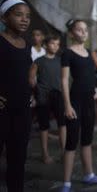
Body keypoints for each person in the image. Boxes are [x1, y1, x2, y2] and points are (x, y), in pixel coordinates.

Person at [60, 19, 97, 192]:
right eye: (79, 30)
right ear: (72, 33)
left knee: (87, 139)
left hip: (89, 100)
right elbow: (65, 80)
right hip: (75, 101)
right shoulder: (67, 53)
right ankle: (66, 183)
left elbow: (89, 74)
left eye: (85, 30)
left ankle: (89, 175)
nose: (83, 32)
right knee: (72, 141)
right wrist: (67, 105)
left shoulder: (88, 52)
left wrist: (95, 88)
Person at [0, 0, 32, 192]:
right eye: (18, 14)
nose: (24, 19)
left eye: (27, 16)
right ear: (4, 18)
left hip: (22, 109)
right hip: (2, 110)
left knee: (18, 157)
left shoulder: (26, 44)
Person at [29, 34, 66, 164]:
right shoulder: (38, 61)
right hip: (43, 96)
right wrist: (35, 93)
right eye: (52, 44)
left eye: (57, 44)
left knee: (62, 124)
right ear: (45, 45)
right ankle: (45, 154)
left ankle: (63, 152)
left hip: (59, 95)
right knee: (44, 126)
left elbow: (64, 79)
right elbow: (31, 79)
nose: (55, 46)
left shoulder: (61, 60)